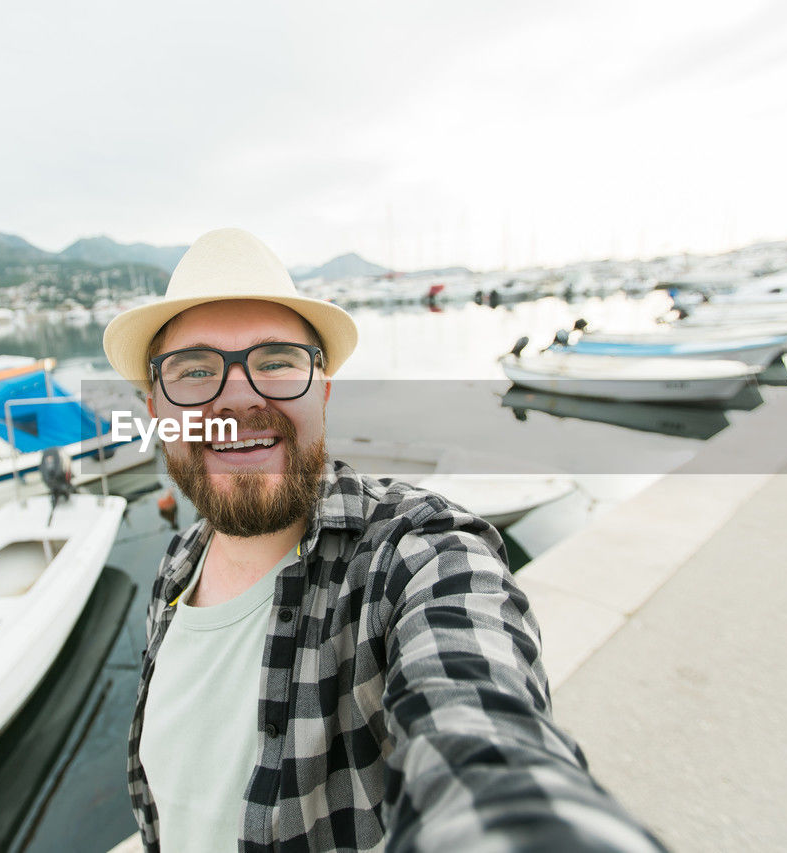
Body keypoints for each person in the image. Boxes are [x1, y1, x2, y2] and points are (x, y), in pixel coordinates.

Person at [103, 228, 663, 852]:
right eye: (195, 371)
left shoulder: (418, 556)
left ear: (324, 390)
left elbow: (477, 725)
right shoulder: (176, 569)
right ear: (156, 408)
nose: (239, 395)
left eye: (277, 362)